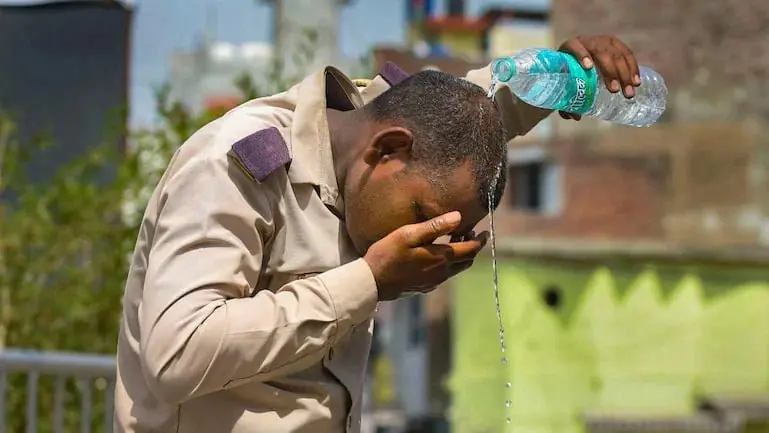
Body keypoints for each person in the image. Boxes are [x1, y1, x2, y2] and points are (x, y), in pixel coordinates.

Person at [114, 35, 642, 433]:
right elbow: (175, 353)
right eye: (422, 213)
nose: (425, 237)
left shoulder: (389, 127)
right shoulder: (236, 166)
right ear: (386, 151)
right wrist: (367, 281)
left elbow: (475, 106)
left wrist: (566, 74)